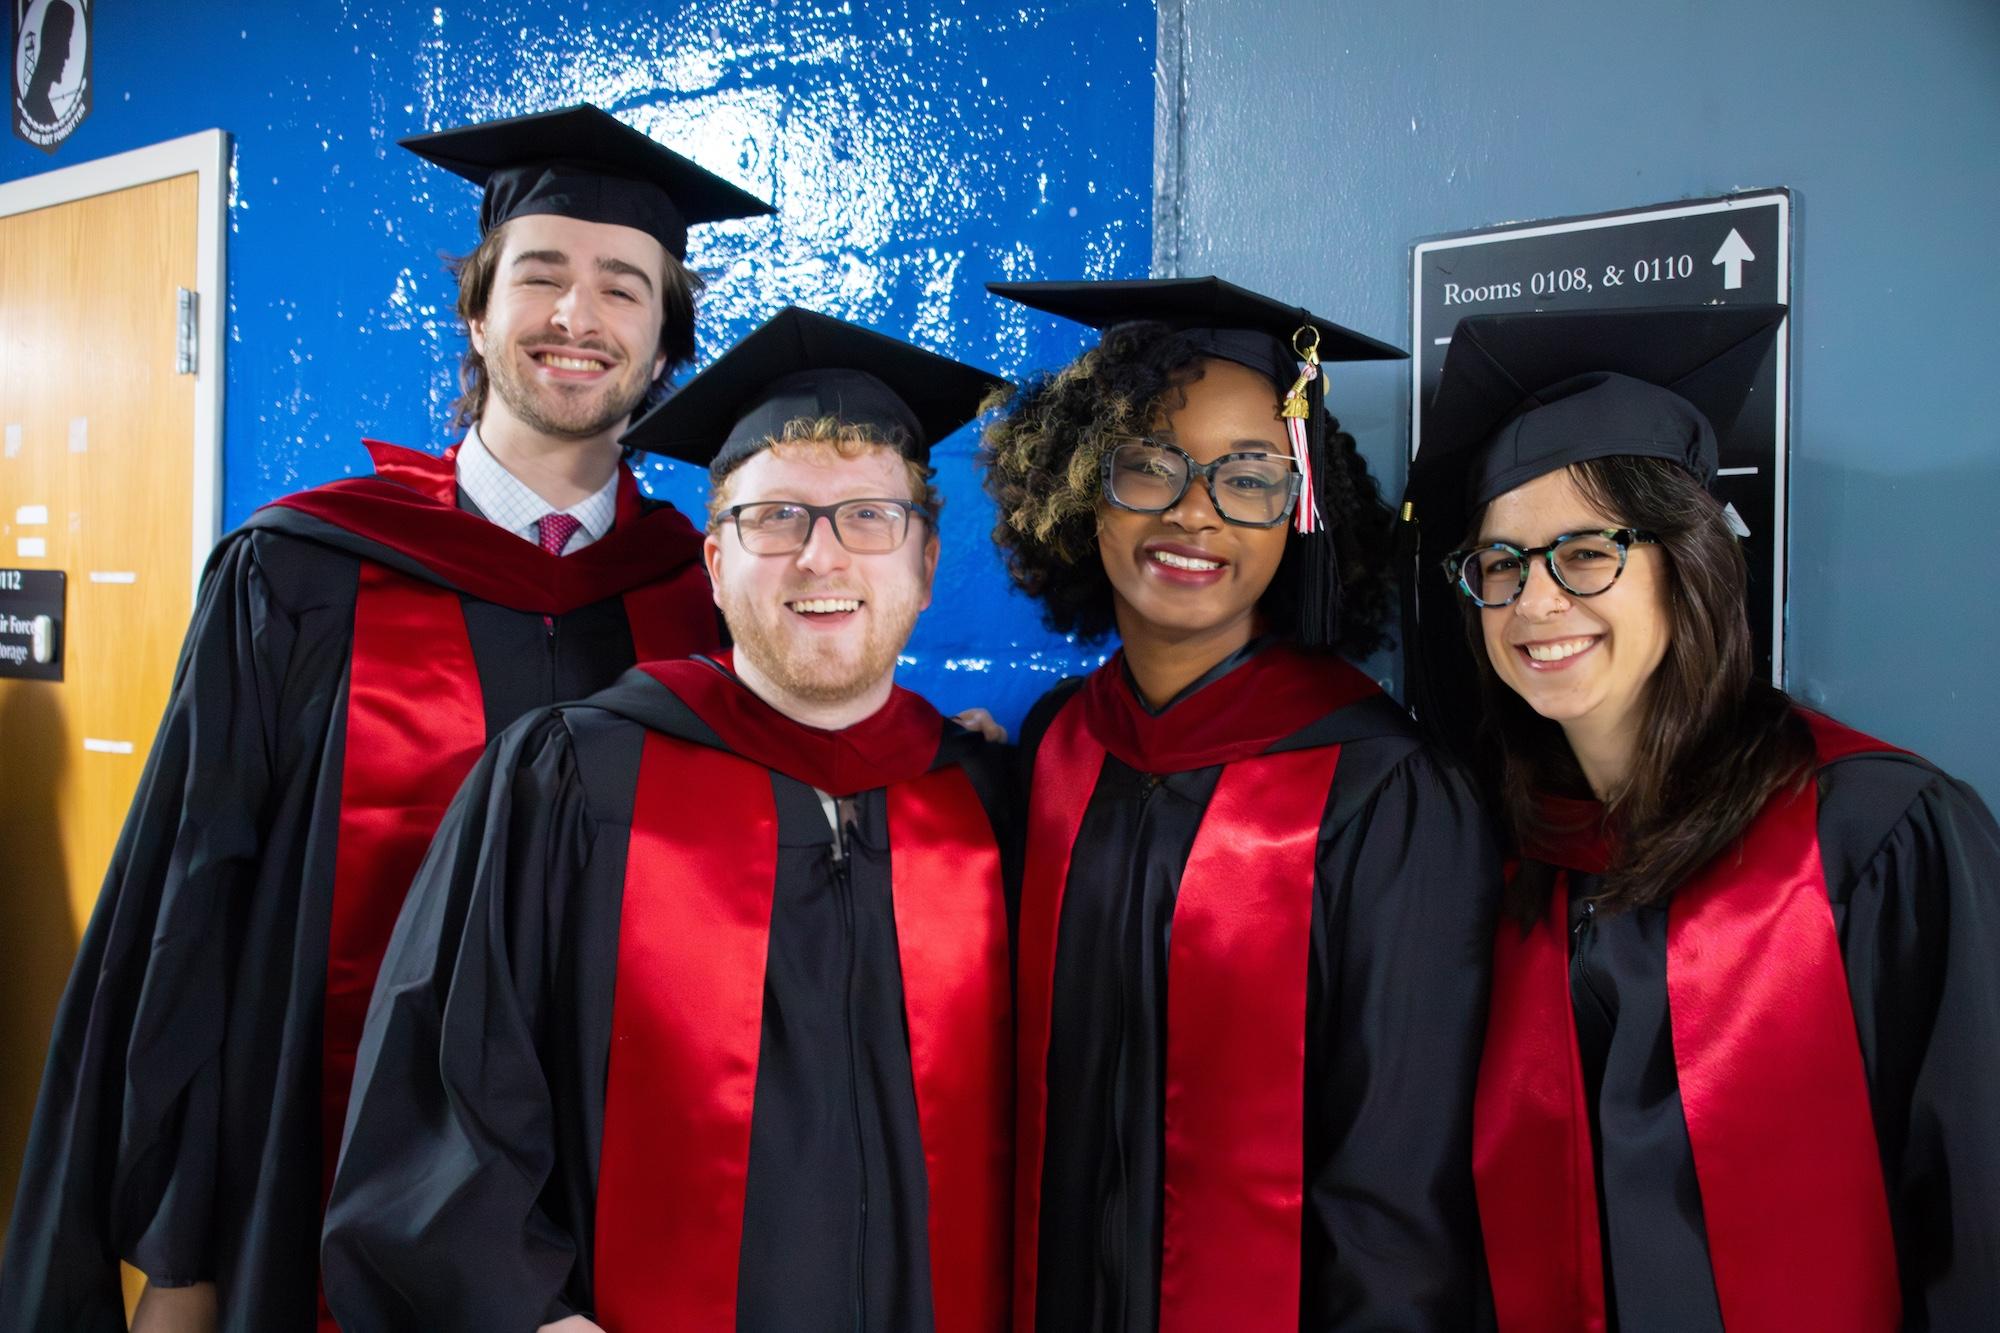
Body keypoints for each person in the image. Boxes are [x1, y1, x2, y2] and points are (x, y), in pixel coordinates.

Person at [0, 105, 769, 1333]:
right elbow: (192, 916)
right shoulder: (300, 573)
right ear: (476, 310)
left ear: (664, 339)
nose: (578, 317)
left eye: (623, 287)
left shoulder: (710, 600)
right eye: (541, 275)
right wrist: (182, 1258)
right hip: (308, 1175)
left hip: (616, 1200)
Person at [322, 307, 1016, 1333]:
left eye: (868, 516)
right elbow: (439, 1125)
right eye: (773, 517)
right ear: (712, 563)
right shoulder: (566, 782)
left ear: (922, 564)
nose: (821, 559)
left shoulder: (998, 807)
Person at [1401, 304, 2000, 1331]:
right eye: (1498, 563)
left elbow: (1976, 1224)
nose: (1534, 602)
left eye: (1583, 551)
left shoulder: (1874, 836)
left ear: (1687, 561)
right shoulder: (1500, 863)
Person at [982, 276, 1500, 1331]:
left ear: (1300, 509)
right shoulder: (1052, 749)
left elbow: (1400, 1195)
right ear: (1083, 484)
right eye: (1148, 464)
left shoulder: (1383, 793)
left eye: (1249, 478)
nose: (1194, 510)